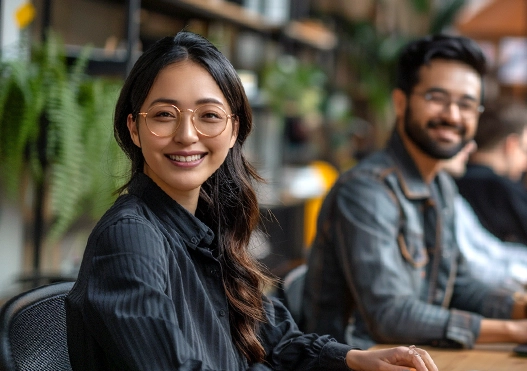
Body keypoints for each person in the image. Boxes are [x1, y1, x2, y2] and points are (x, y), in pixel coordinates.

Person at [65, 31, 437, 371]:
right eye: (164, 115)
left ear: (234, 131)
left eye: (209, 116)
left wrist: (357, 359)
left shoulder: (206, 226)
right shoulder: (130, 239)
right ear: (134, 128)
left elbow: (273, 338)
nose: (187, 134)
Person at [302, 34, 527, 351]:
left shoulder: (441, 186)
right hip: (353, 359)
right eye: (437, 98)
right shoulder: (366, 189)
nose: (452, 115)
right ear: (401, 101)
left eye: (466, 104)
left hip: (411, 355)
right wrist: (514, 330)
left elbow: (460, 286)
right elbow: (389, 315)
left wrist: (521, 308)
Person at [444, 141, 527, 292]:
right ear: (511, 145)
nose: (471, 146)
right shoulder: (499, 186)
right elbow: (474, 267)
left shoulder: (447, 188)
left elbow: (493, 251)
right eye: (524, 151)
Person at [455, 101, 527, 245]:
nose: (525, 164)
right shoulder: (505, 190)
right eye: (525, 151)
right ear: (511, 145)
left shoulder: (450, 181)